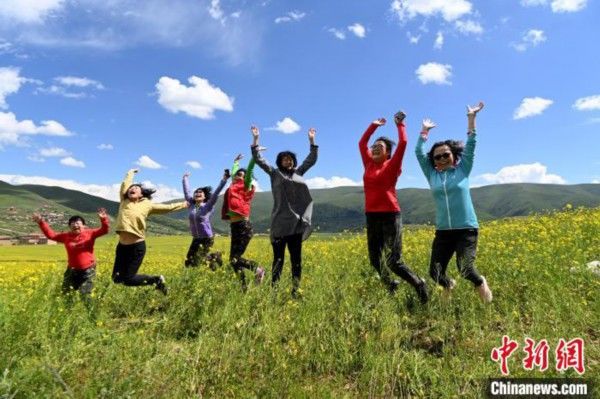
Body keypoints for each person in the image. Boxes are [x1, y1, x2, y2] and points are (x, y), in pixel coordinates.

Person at [415, 102, 493, 303]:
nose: (441, 159)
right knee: (435, 272)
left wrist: (471, 119)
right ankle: (448, 285)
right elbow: (418, 152)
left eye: (445, 155)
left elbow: (472, 144)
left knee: (466, 269)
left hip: (466, 228)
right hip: (443, 231)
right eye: (437, 156)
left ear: (453, 156)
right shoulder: (432, 175)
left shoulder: (462, 170)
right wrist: (424, 132)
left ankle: (480, 282)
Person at [359, 111, 429, 304]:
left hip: (390, 215)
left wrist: (400, 124)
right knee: (375, 260)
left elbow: (404, 143)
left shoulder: (392, 164)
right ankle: (391, 284)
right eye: (374, 146)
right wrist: (373, 126)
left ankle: (419, 284)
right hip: (371, 216)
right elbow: (361, 144)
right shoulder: (368, 165)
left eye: (379, 147)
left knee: (393, 261)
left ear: (388, 153)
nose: (374, 148)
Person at [251, 125, 318, 297]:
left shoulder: (298, 173)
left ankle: (295, 291)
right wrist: (256, 140)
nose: (288, 161)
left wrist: (312, 141)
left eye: (290, 159)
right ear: (279, 162)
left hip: (296, 226)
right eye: (284, 159)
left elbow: (310, 160)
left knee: (296, 261)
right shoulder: (274, 174)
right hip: (280, 224)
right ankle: (274, 291)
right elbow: (259, 160)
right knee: (278, 260)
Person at [112, 168, 187, 295]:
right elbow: (125, 185)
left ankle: (156, 280)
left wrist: (184, 204)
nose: (132, 188)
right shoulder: (124, 201)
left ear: (141, 194)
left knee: (129, 278)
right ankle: (156, 282)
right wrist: (130, 173)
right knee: (117, 278)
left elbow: (167, 208)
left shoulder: (148, 205)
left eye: (136, 188)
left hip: (136, 247)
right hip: (122, 247)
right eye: (131, 188)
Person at [32, 208, 109, 297]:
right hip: (72, 270)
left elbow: (104, 230)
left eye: (78, 223)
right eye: (73, 223)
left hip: (88, 270)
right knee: (65, 293)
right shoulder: (66, 236)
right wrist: (41, 222)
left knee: (84, 294)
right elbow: (51, 235)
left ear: (84, 225)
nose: (75, 225)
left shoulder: (90, 233)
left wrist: (103, 219)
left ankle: (90, 310)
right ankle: (68, 310)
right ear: (69, 226)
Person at [221, 154, 265, 290]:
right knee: (233, 260)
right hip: (234, 226)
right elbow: (234, 173)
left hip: (243, 226)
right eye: (237, 174)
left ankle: (258, 269)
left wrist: (254, 157)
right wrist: (235, 162)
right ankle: (243, 287)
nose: (238, 176)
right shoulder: (232, 187)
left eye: (241, 175)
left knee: (235, 258)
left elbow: (250, 170)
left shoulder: (245, 186)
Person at [182, 169, 229, 269]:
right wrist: (185, 178)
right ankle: (214, 257)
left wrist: (224, 180)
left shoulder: (207, 206)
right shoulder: (191, 205)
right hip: (196, 238)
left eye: (200, 192)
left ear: (204, 197)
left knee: (199, 260)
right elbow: (187, 193)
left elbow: (216, 193)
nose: (198, 193)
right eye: (196, 192)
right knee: (188, 262)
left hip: (207, 238)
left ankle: (214, 258)